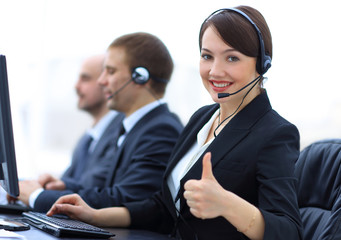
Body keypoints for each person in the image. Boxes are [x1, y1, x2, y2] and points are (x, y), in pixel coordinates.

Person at [47, 6, 302, 240]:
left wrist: (227, 204)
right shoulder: (202, 118)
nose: (214, 71)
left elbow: (289, 230)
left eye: (232, 58)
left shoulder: (275, 133)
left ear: (262, 64)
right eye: (207, 56)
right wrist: (95, 215)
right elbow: (164, 207)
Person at [19, 32, 184, 213]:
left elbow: (126, 198)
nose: (102, 81)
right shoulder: (134, 126)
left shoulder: (161, 129)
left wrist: (38, 197)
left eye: (111, 71)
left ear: (140, 77)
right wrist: (65, 185)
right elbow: (108, 190)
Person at [15, 54, 124, 206]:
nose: (76, 86)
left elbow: (92, 190)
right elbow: (72, 184)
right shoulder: (88, 138)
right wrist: (44, 186)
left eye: (85, 79)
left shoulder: (121, 134)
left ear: (106, 83)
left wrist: (37, 196)